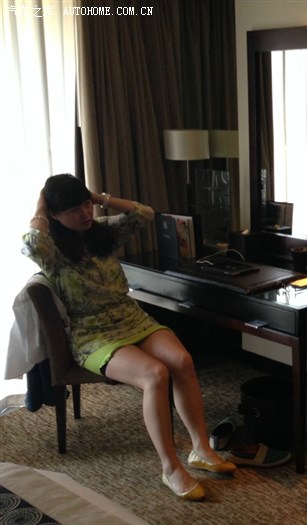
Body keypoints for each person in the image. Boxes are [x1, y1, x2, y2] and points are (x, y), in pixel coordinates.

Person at [22, 174, 236, 501]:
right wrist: (41, 207)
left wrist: (97, 197)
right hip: (91, 333)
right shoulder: (51, 247)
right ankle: (170, 468)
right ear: (54, 214)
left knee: (182, 360)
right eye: (73, 210)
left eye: (86, 205)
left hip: (130, 316)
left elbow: (144, 214)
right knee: (155, 374)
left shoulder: (100, 230)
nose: (85, 214)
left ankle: (201, 449)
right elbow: (30, 244)